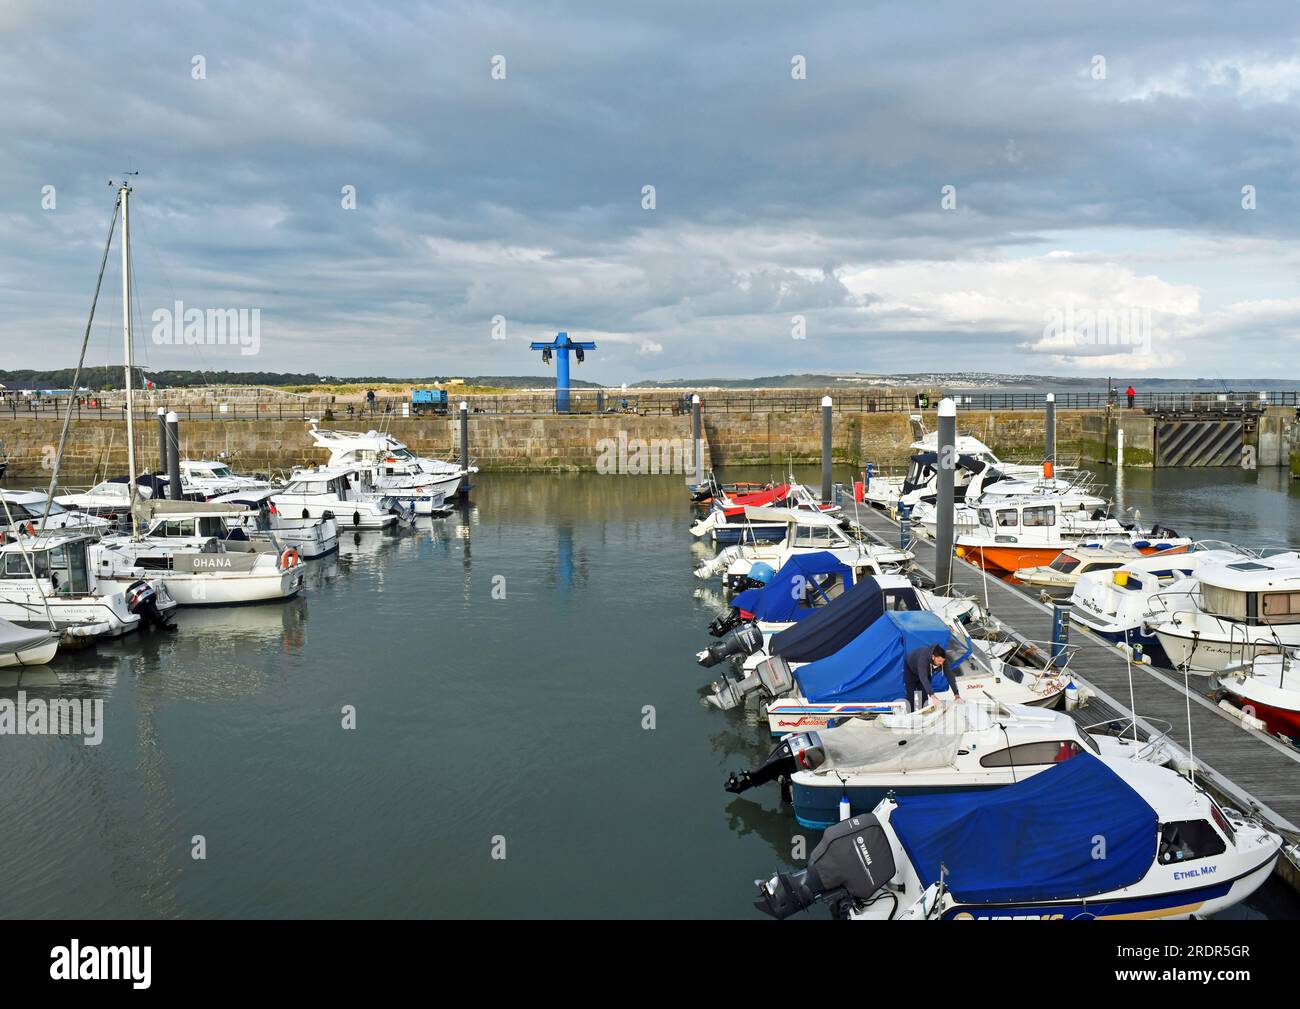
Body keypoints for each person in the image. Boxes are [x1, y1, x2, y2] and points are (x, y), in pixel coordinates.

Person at [902, 643, 959, 711]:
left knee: (924, 695)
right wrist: (933, 696)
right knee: (911, 696)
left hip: (925, 670)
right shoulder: (923, 659)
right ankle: (910, 714)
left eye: (943, 661)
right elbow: (923, 678)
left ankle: (924, 712)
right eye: (939, 661)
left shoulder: (942, 660)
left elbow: (949, 675)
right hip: (910, 670)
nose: (941, 663)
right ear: (933, 657)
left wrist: (956, 694)